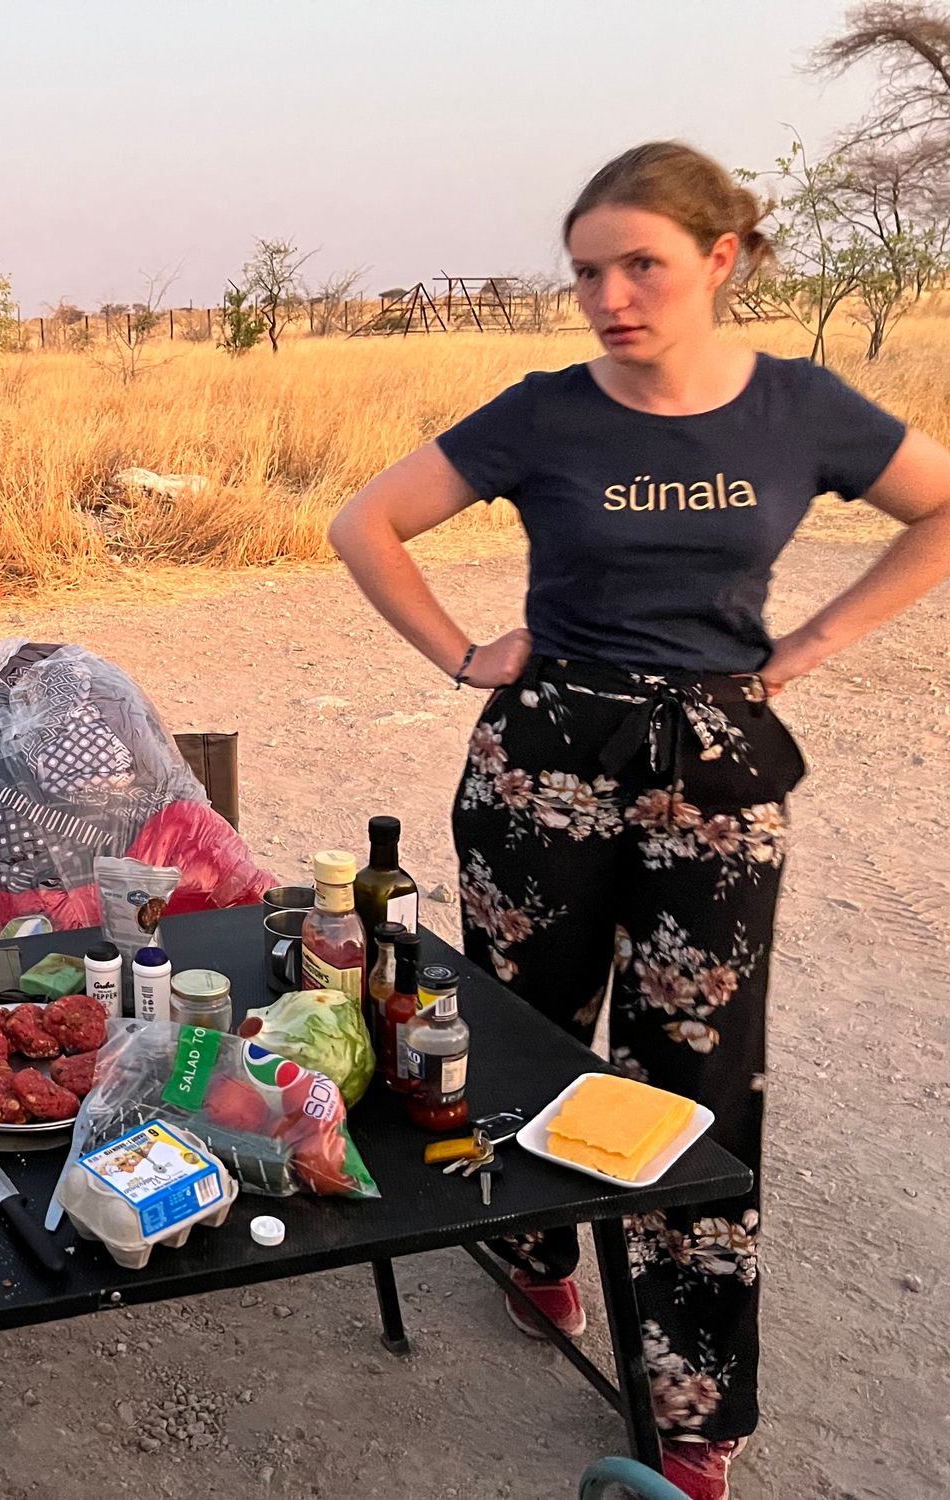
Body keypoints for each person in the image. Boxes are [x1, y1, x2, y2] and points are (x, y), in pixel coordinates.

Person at [328, 141, 950, 1500]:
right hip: (543, 760)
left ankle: (692, 1400)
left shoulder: (799, 410)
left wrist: (814, 644)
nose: (611, 296)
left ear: (720, 261)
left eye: (641, 265)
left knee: (704, 1083)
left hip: (718, 779)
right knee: (523, 1032)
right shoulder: (544, 413)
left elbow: (943, 505)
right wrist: (458, 653)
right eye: (589, 274)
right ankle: (542, 1260)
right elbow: (366, 523)